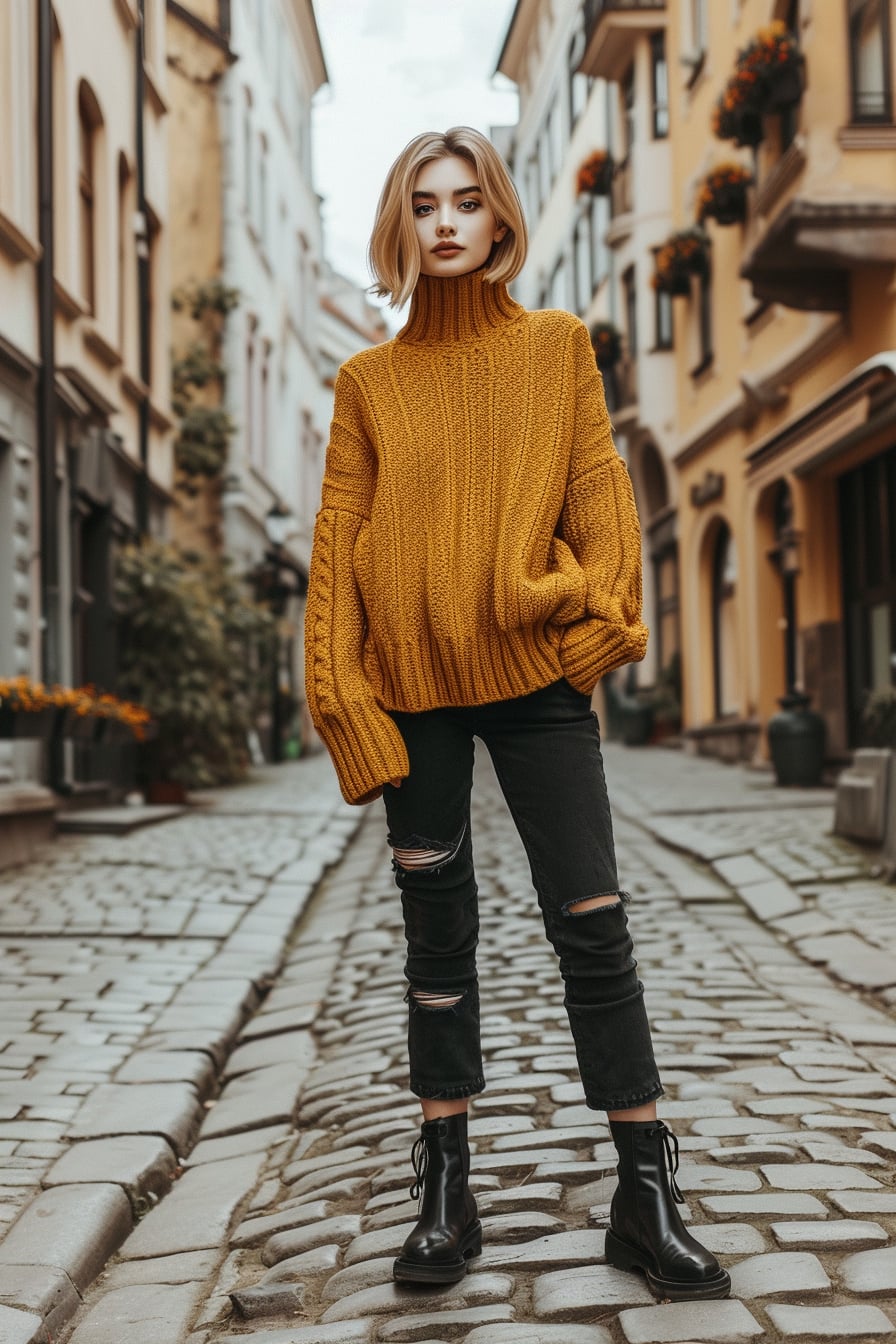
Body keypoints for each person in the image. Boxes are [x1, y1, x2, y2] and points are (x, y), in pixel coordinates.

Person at [304, 126, 730, 1303]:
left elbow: (602, 502)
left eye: (467, 201)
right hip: (414, 696)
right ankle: (445, 1188)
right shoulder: (365, 384)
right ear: (402, 225)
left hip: (538, 682)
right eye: (424, 204)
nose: (445, 222)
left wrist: (594, 633)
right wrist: (348, 705)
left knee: (591, 923)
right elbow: (336, 556)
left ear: (498, 220)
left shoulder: (555, 351)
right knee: (436, 940)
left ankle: (645, 1193)